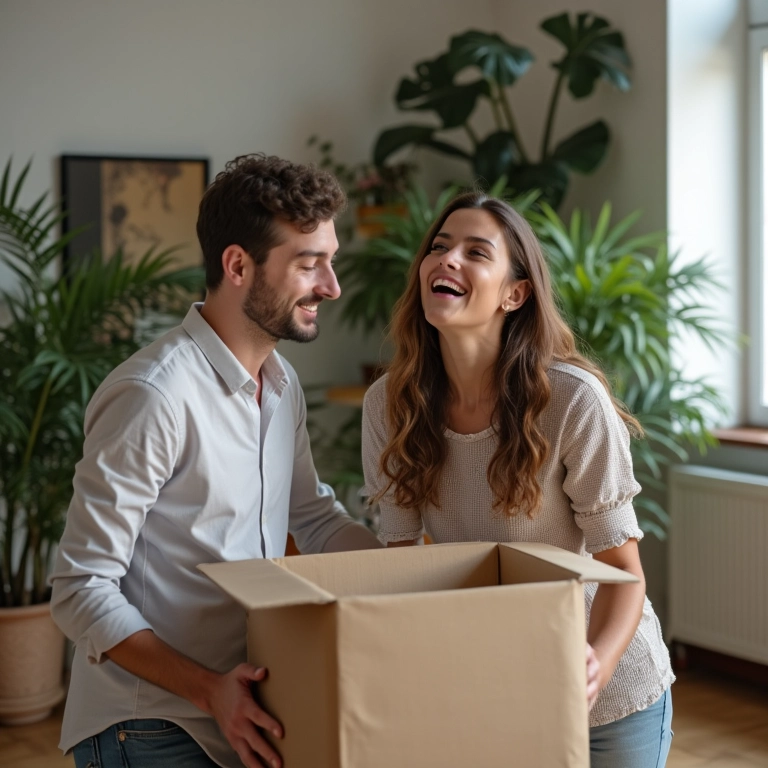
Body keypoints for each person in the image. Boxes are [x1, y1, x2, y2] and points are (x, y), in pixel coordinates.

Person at [50, 154, 381, 768]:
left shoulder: (279, 388)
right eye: (310, 264)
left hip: (239, 712)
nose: (331, 287)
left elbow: (315, 519)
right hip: (147, 725)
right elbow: (80, 586)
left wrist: (413, 576)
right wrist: (209, 689)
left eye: (329, 262)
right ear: (237, 265)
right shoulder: (154, 396)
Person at [361, 192, 674, 768]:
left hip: (610, 694)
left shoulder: (572, 402)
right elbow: (400, 559)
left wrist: (590, 671)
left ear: (515, 293)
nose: (447, 259)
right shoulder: (391, 403)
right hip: (491, 680)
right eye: (439, 247)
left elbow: (623, 575)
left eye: (476, 252)